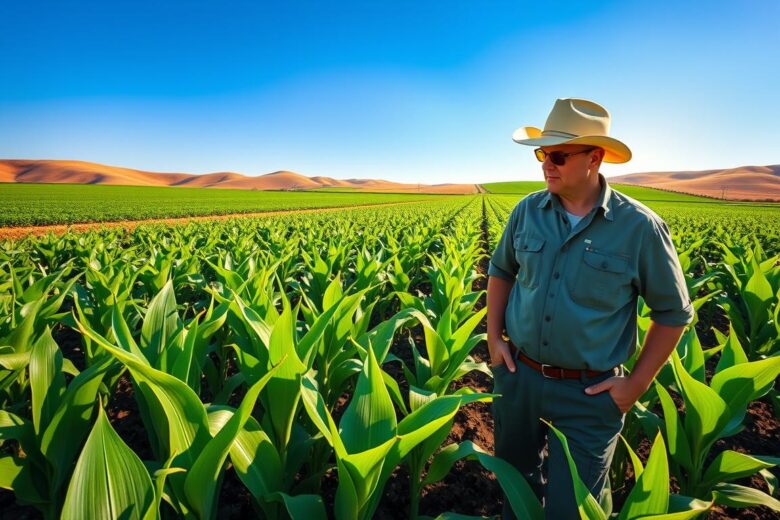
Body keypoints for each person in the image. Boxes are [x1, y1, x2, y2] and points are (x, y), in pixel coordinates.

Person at [487, 98, 693, 519]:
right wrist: (494, 338)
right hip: (519, 378)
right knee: (515, 496)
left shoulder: (639, 227)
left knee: (572, 509)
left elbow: (673, 313)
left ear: (595, 158)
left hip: (589, 394)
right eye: (542, 154)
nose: (547, 164)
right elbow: (500, 269)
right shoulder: (527, 210)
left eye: (558, 155)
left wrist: (635, 385)